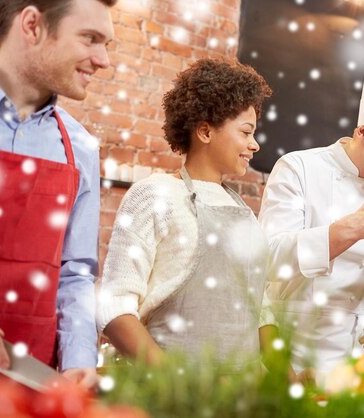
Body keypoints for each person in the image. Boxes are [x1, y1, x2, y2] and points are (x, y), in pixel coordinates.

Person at [258, 15, 364, 379]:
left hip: (350, 356)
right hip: (289, 349)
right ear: (363, 131)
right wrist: (349, 229)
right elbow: (267, 259)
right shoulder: (298, 168)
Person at [96, 58, 278, 374]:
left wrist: (288, 382)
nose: (255, 144)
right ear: (205, 131)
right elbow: (114, 308)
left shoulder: (245, 212)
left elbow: (260, 309)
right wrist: (178, 385)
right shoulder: (155, 195)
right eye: (246, 132)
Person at [0, 0, 116, 388]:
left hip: (30, 381)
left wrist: (79, 360)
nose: (103, 60)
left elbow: (76, 272)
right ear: (32, 26)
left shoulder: (80, 147)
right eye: (90, 39)